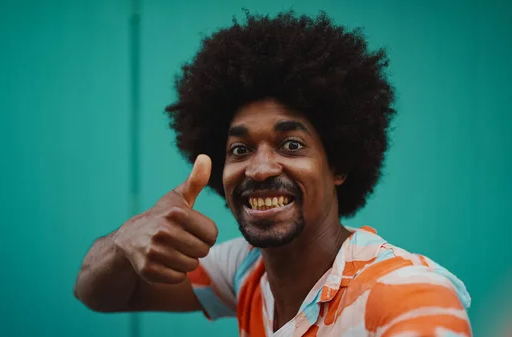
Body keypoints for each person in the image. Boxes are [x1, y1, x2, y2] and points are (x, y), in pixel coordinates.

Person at [74, 10, 472, 336]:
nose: (260, 169)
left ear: (339, 165)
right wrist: (126, 239)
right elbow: (99, 293)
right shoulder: (247, 268)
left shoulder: (407, 294)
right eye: (240, 149)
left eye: (292, 145)